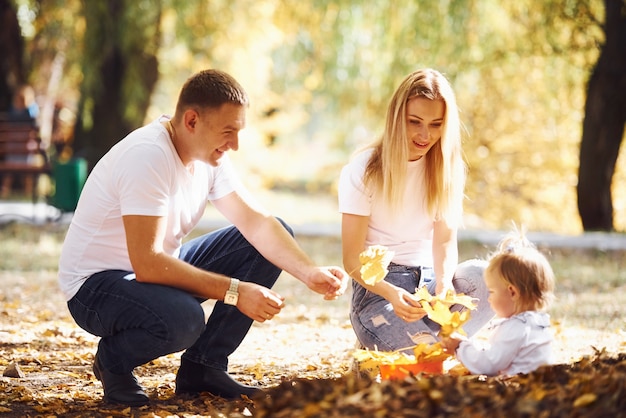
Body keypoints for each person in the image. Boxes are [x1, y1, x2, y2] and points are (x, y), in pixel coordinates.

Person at [58, 69, 348, 406]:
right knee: (184, 319)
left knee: (271, 235)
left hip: (151, 271)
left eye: (238, 132)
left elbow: (257, 223)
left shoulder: (208, 157)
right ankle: (113, 362)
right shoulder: (148, 155)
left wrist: (309, 272)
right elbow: (148, 262)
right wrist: (236, 292)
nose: (235, 145)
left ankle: (203, 368)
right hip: (95, 287)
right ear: (192, 120)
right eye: (228, 132)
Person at [338, 68, 494, 353]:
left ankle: (430, 345)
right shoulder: (364, 169)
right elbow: (351, 260)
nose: (425, 135)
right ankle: (404, 344)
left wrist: (444, 284)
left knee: (487, 278)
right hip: (379, 292)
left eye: (436, 124)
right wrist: (392, 293)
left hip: (429, 283)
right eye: (415, 122)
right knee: (422, 358)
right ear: (397, 118)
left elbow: (445, 241)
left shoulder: (449, 169)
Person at [440, 230, 556, 375]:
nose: (488, 298)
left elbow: (489, 364)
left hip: (521, 387)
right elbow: (497, 354)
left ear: (512, 292)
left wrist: (460, 347)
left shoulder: (516, 328)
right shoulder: (537, 323)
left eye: (492, 292)